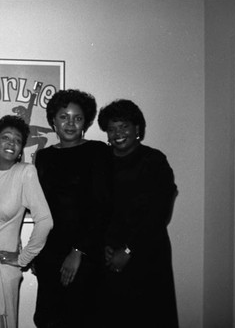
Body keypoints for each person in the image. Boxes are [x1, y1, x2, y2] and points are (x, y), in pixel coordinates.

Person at [32, 89, 112, 328]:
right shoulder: (43, 156)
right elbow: (41, 208)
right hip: (50, 250)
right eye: (64, 117)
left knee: (78, 317)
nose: (70, 123)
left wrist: (78, 251)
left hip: (84, 251)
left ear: (85, 122)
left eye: (77, 118)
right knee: (48, 318)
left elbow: (102, 206)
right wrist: (37, 251)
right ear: (53, 121)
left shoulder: (98, 151)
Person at [97, 99, 178, 328]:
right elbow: (96, 208)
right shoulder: (101, 162)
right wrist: (103, 245)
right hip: (109, 257)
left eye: (124, 126)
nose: (117, 133)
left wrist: (129, 250)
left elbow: (159, 213)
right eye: (112, 129)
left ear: (137, 129)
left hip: (147, 254)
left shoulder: (154, 160)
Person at [0, 115, 53, 328]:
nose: (11, 143)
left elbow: (45, 220)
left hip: (2, 264)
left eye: (17, 140)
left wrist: (24, 258)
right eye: (6, 137)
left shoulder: (25, 173)